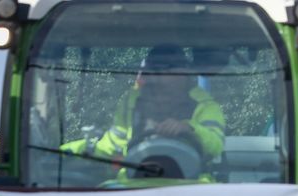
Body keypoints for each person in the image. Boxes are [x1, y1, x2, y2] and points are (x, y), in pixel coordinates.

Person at [67, 46, 225, 167]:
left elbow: (215, 145)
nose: (154, 80)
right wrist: (67, 152)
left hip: (192, 183)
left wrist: (189, 128)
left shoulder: (205, 106)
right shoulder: (133, 99)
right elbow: (113, 145)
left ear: (183, 74)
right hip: (131, 182)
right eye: (151, 72)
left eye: (162, 72)